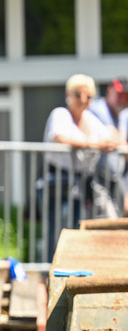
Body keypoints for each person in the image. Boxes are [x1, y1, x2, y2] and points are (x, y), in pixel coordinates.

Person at [39, 74, 122, 259]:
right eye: (79, 95)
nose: (83, 100)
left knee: (74, 234)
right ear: (69, 95)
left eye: (89, 96)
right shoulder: (60, 114)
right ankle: (47, 279)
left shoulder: (90, 119)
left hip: (78, 187)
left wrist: (114, 140)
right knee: (55, 235)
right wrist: (95, 144)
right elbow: (60, 137)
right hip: (56, 184)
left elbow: (111, 136)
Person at [87, 76, 128, 215]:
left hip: (117, 180)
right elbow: (110, 137)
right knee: (107, 222)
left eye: (126, 96)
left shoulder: (123, 115)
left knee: (119, 222)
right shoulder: (97, 109)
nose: (123, 99)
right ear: (110, 91)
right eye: (120, 94)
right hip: (97, 178)